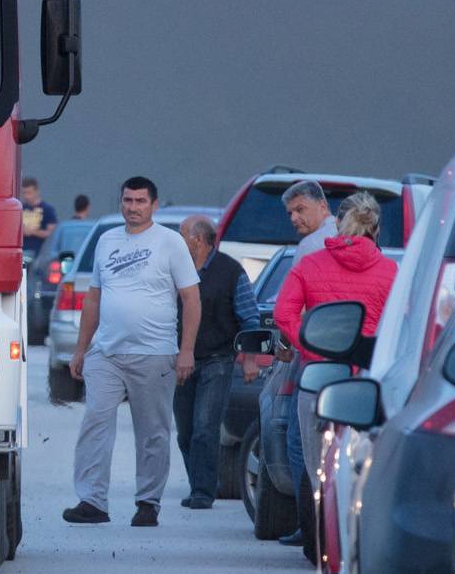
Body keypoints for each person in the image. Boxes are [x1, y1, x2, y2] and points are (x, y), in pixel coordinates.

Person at [63, 175, 200, 529]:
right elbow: (94, 296)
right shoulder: (107, 241)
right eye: (128, 200)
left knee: (153, 431)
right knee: (96, 421)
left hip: (155, 352)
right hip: (106, 351)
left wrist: (186, 350)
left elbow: (191, 298)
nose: (133, 208)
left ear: (154, 205)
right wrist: (81, 349)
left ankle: (147, 502)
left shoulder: (170, 243)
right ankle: (92, 500)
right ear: (120, 202)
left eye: (141, 201)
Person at [273, 192, 398, 552]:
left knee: (318, 473)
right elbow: (402, 325)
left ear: (338, 222)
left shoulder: (310, 264)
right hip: (367, 382)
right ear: (375, 228)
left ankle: (323, 542)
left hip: (319, 377)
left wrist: (313, 346)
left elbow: (284, 314)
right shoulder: (391, 271)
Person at [173, 215, 259, 510]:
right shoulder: (175, 269)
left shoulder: (231, 271)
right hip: (180, 361)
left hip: (217, 360)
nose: (177, 239)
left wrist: (248, 359)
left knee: (204, 428)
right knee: (185, 432)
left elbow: (249, 318)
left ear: (197, 240)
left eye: (181, 234)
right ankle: (200, 480)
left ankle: (203, 491)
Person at [277, 179, 337, 503]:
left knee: (300, 442)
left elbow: (290, 309)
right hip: (355, 359)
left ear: (323, 206)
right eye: (290, 213)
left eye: (301, 209)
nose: (294, 218)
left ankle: (308, 521)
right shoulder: (359, 241)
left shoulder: (312, 246)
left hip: (314, 358)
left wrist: (291, 346)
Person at [21, 178, 58, 254]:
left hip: (40, 253)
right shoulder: (20, 208)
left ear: (37, 191)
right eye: (24, 193)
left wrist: (33, 232)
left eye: (29, 193)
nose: (26, 196)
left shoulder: (47, 209)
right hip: (22, 253)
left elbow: (52, 234)